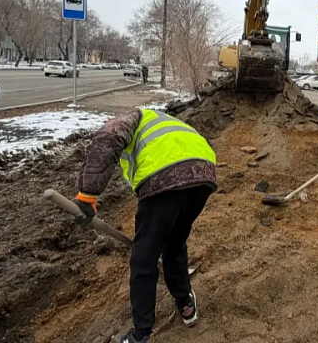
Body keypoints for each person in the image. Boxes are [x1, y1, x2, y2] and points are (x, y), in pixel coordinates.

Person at [73, 108, 217, 343]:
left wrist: (87, 195)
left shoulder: (128, 118)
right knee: (174, 244)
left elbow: (107, 140)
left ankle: (140, 335)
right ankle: (186, 306)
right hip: (204, 175)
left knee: (144, 260)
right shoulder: (161, 120)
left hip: (165, 177)